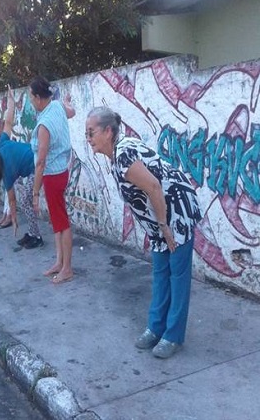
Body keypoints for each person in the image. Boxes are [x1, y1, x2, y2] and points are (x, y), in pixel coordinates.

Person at [85, 106, 202, 359]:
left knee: (177, 273)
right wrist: (157, 226)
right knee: (160, 270)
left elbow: (154, 187)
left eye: (91, 132)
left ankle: (172, 336)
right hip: (160, 218)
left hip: (176, 212)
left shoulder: (124, 152)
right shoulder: (116, 155)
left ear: (108, 131)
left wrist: (164, 227)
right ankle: (155, 327)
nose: (89, 138)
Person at [0, 86, 44, 249]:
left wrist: (15, 221)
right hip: (36, 157)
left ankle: (36, 237)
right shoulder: (1, 144)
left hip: (36, 166)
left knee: (24, 200)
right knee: (24, 199)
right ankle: (32, 233)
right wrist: (10, 100)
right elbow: (8, 122)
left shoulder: (7, 173)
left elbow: (12, 200)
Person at [29, 76, 76, 284]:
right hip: (61, 172)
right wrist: (66, 102)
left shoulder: (44, 125)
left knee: (62, 222)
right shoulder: (56, 106)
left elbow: (40, 162)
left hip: (52, 176)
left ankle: (67, 269)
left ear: (39, 98)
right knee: (57, 221)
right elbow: (71, 112)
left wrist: (35, 193)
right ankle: (59, 262)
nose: (30, 100)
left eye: (31, 97)